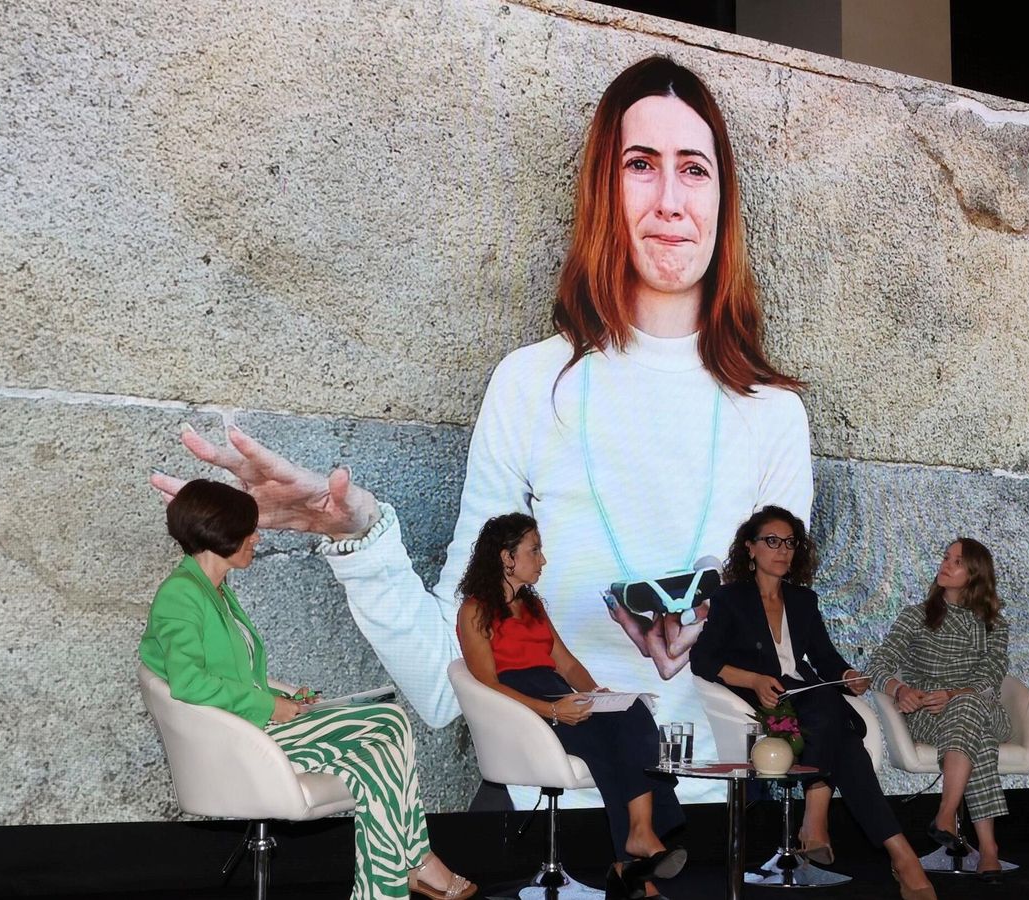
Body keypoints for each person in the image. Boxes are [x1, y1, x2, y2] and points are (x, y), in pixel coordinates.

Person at [151, 55, 813, 809]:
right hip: (546, 816)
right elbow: (445, 685)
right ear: (603, 187)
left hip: (726, 816)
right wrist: (358, 536)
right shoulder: (531, 385)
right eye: (640, 165)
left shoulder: (772, 414)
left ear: (723, 197)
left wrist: (721, 633)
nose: (669, 200)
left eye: (694, 169)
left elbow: (786, 664)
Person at [138, 480, 474, 900]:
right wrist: (269, 705)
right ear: (217, 532)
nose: (257, 537)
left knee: (379, 753)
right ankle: (414, 865)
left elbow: (232, 673)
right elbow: (189, 683)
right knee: (386, 727)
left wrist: (291, 699)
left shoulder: (214, 590)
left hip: (253, 723)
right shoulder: (180, 595)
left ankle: (393, 882)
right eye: (248, 529)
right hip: (240, 740)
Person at [689, 506, 937, 900]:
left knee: (834, 717)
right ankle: (893, 853)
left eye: (790, 542)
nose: (782, 550)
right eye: (772, 541)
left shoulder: (803, 599)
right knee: (832, 717)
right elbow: (702, 660)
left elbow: (825, 659)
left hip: (804, 698)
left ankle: (886, 849)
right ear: (750, 549)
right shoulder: (730, 598)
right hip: (757, 699)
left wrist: (847, 676)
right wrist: (753, 680)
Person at [455, 513, 685, 900]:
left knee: (634, 712)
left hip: (555, 693)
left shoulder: (533, 606)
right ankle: (633, 864)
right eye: (535, 550)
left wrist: (597, 694)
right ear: (506, 557)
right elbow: (488, 685)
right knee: (602, 740)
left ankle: (640, 835)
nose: (542, 560)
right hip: (521, 710)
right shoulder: (475, 611)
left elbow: (565, 663)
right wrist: (554, 711)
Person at [865, 538, 1011, 880]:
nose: (945, 564)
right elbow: (877, 665)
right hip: (928, 717)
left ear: (975, 574)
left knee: (968, 705)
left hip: (984, 708)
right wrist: (899, 689)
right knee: (978, 739)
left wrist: (953, 693)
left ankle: (946, 812)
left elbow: (992, 676)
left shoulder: (995, 624)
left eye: (956, 561)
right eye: (946, 557)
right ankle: (989, 848)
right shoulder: (916, 616)